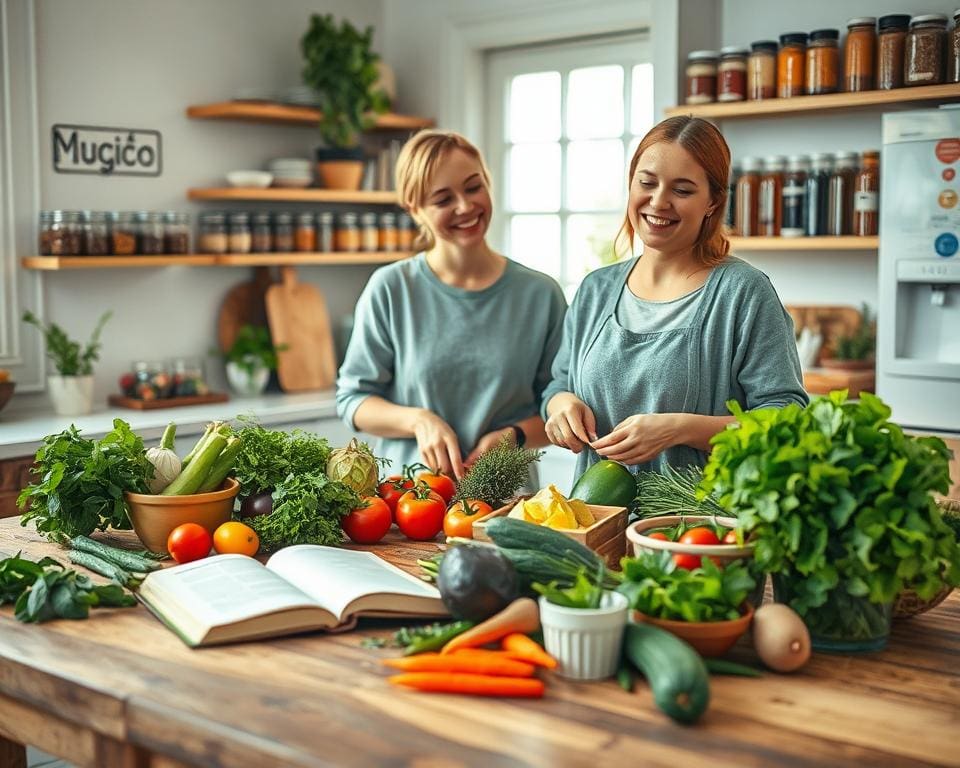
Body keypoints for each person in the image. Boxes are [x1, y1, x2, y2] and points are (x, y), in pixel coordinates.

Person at [542, 115, 807, 479]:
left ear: (713, 201)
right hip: (596, 511)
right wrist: (562, 407)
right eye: (647, 182)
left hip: (701, 513)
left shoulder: (743, 293)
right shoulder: (595, 289)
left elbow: (786, 417)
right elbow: (558, 385)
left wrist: (680, 429)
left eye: (682, 191)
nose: (659, 201)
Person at [336, 130, 567, 479]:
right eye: (443, 199)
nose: (465, 206)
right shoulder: (392, 288)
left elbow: (558, 405)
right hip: (409, 496)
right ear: (414, 210)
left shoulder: (540, 294)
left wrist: (514, 436)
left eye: (473, 187)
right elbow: (353, 399)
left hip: (507, 497)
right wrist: (419, 420)